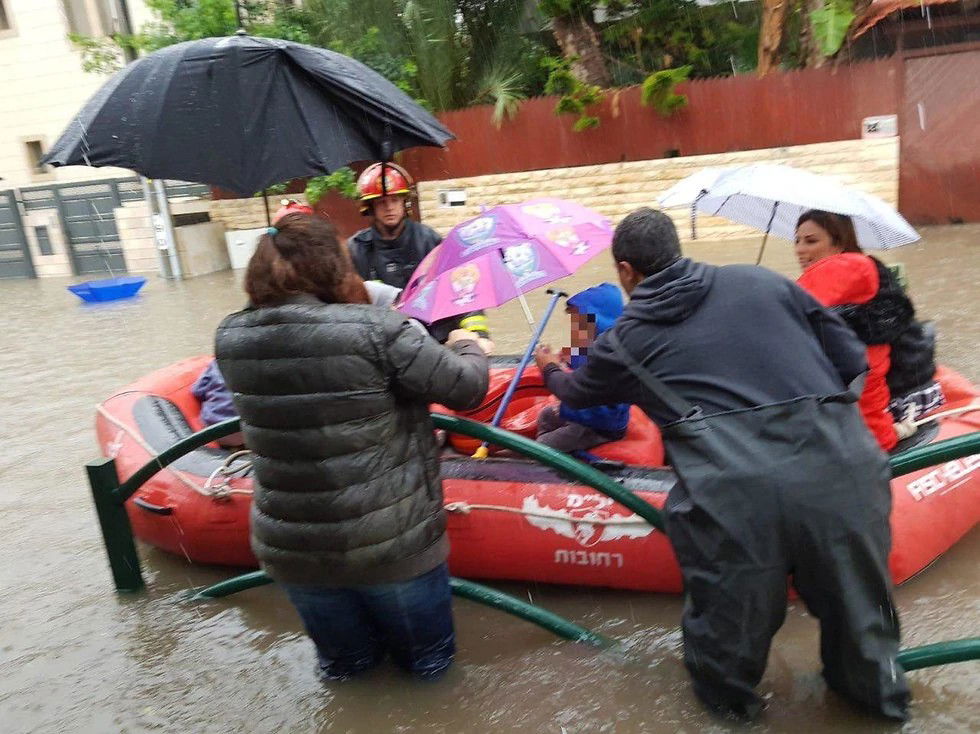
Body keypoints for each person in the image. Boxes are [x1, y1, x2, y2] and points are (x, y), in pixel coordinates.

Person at [534, 208, 909, 721]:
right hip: (843, 468)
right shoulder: (761, 282)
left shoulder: (625, 340)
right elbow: (849, 358)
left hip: (736, 497)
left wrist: (551, 370)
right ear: (677, 250)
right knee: (868, 642)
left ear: (625, 271)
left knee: (726, 660)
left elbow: (578, 395)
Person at [214, 213, 490, 681]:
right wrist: (471, 343)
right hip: (391, 548)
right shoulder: (378, 330)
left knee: (346, 672)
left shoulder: (232, 336)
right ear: (332, 265)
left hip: (295, 551)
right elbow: (465, 388)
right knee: (428, 671)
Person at [795, 209, 943, 451]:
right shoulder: (859, 278)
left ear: (840, 242)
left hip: (883, 413)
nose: (800, 249)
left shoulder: (846, 274)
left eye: (811, 241)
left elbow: (867, 385)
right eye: (798, 240)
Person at [347, 161, 490, 342]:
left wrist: (479, 335)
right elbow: (348, 306)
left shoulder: (428, 239)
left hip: (434, 338)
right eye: (381, 202)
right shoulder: (357, 249)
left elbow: (460, 286)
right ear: (370, 208)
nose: (389, 207)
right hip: (385, 341)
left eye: (395, 200)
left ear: (404, 202)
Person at [536, 283, 630, 453]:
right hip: (584, 413)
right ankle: (560, 448)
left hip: (598, 425)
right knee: (546, 415)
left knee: (543, 445)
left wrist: (550, 368)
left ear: (597, 321)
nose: (575, 329)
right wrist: (565, 357)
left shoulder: (610, 357)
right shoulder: (592, 344)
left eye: (579, 322)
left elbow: (591, 399)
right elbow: (581, 361)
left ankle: (546, 454)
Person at [190, 361, 243, 448]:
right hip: (243, 432)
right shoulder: (263, 369)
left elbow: (197, 390)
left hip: (212, 429)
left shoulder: (217, 363)